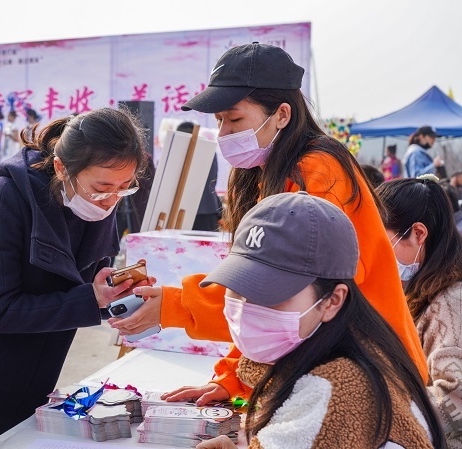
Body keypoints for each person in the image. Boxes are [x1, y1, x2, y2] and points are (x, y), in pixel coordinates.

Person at [111, 42, 428, 406]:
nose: (224, 133)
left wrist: (177, 305)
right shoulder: (264, 173)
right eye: (219, 121)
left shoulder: (318, 172)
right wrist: (233, 380)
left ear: (281, 114)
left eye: (235, 120)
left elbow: (285, 293)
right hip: (326, 364)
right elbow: (261, 293)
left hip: (365, 373)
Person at [0, 107, 152, 449]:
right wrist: (91, 298)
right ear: (62, 168)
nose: (111, 200)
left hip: (34, 379)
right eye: (102, 188)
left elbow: (85, 292)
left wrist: (118, 297)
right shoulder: (6, 195)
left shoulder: (94, 201)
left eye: (124, 188)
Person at [191, 192, 444, 449]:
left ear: (332, 301)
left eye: (270, 294)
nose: (246, 308)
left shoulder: (337, 391)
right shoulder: (322, 354)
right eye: (236, 288)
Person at [376, 176, 462, 446]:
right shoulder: (422, 289)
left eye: (383, 243)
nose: (377, 255)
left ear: (419, 234)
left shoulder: (450, 302)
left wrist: (380, 407)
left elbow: (455, 399)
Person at [176, 121, 222, 231]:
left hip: (182, 210)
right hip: (208, 208)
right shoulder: (210, 151)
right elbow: (213, 179)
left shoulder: (177, 153)